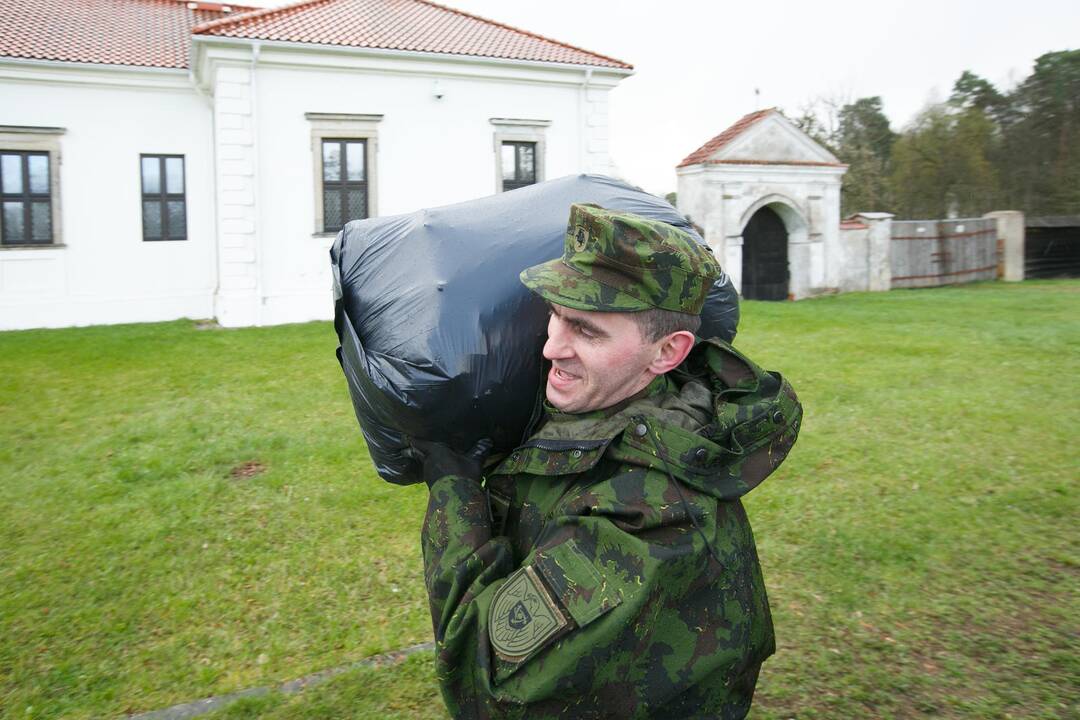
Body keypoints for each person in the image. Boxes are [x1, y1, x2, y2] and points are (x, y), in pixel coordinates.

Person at [410, 203, 801, 719]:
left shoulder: (648, 517)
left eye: (586, 330)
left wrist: (455, 496)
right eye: (554, 314)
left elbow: (481, 684)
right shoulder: (600, 407)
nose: (551, 346)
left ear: (667, 353)